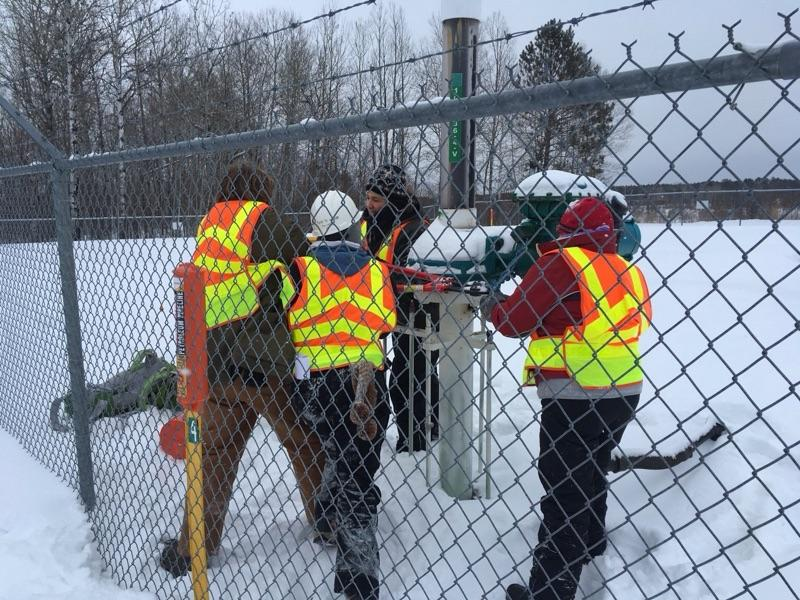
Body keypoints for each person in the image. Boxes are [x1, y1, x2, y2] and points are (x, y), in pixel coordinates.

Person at [480, 197, 652, 600]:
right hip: (624, 391)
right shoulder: (625, 268)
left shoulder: (561, 263)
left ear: (565, 231)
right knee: (592, 467)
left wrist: (492, 303)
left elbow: (513, 321)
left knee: (563, 491)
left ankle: (551, 591)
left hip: (575, 393)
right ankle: (592, 540)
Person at [160, 160, 323, 577]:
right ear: (260, 190)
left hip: (214, 358)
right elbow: (304, 262)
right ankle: (330, 523)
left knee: (214, 455)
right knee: (304, 442)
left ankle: (192, 546)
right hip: (262, 362)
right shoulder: (263, 218)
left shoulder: (209, 223)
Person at [288, 190, 396, 600]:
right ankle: (358, 577)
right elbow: (386, 321)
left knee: (339, 449)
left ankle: (324, 516)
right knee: (360, 476)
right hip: (364, 382)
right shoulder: (377, 270)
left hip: (315, 386)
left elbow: (289, 316)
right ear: (355, 224)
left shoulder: (299, 269)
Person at [360, 164, 439, 453]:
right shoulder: (369, 224)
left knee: (411, 374)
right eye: (368, 197)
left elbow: (410, 274)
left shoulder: (415, 228)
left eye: (377, 199)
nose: (370, 204)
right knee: (408, 373)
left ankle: (415, 439)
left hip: (417, 313)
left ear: (393, 200)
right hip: (382, 311)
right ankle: (424, 429)